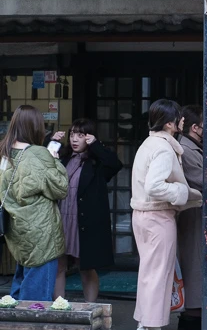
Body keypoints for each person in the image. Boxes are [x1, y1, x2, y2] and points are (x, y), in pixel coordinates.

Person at [131, 99, 201, 330]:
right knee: (160, 274)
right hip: (158, 216)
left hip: (143, 214)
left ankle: (144, 327)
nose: (183, 121)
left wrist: (189, 195)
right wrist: (182, 192)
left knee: (149, 273)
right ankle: (153, 328)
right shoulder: (163, 148)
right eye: (179, 117)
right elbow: (155, 186)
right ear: (170, 123)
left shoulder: (149, 143)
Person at [0, 105, 68, 301]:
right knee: (35, 300)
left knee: (20, 286)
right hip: (40, 232)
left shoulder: (4, 152)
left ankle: (12, 320)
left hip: (17, 229)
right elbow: (61, 188)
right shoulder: (38, 154)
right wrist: (55, 160)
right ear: (36, 127)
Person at [51, 119, 122, 302]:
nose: (74, 139)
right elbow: (44, 166)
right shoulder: (64, 157)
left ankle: (90, 307)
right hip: (61, 218)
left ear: (89, 137)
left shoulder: (96, 162)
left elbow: (115, 164)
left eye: (80, 135)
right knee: (59, 265)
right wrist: (52, 142)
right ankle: (60, 307)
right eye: (72, 134)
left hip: (84, 221)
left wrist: (96, 145)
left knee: (86, 267)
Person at [176, 105, 204, 330]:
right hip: (193, 214)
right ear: (194, 127)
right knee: (194, 264)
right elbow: (204, 181)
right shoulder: (186, 150)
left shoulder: (192, 147)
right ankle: (192, 317)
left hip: (197, 214)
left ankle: (194, 315)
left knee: (196, 264)